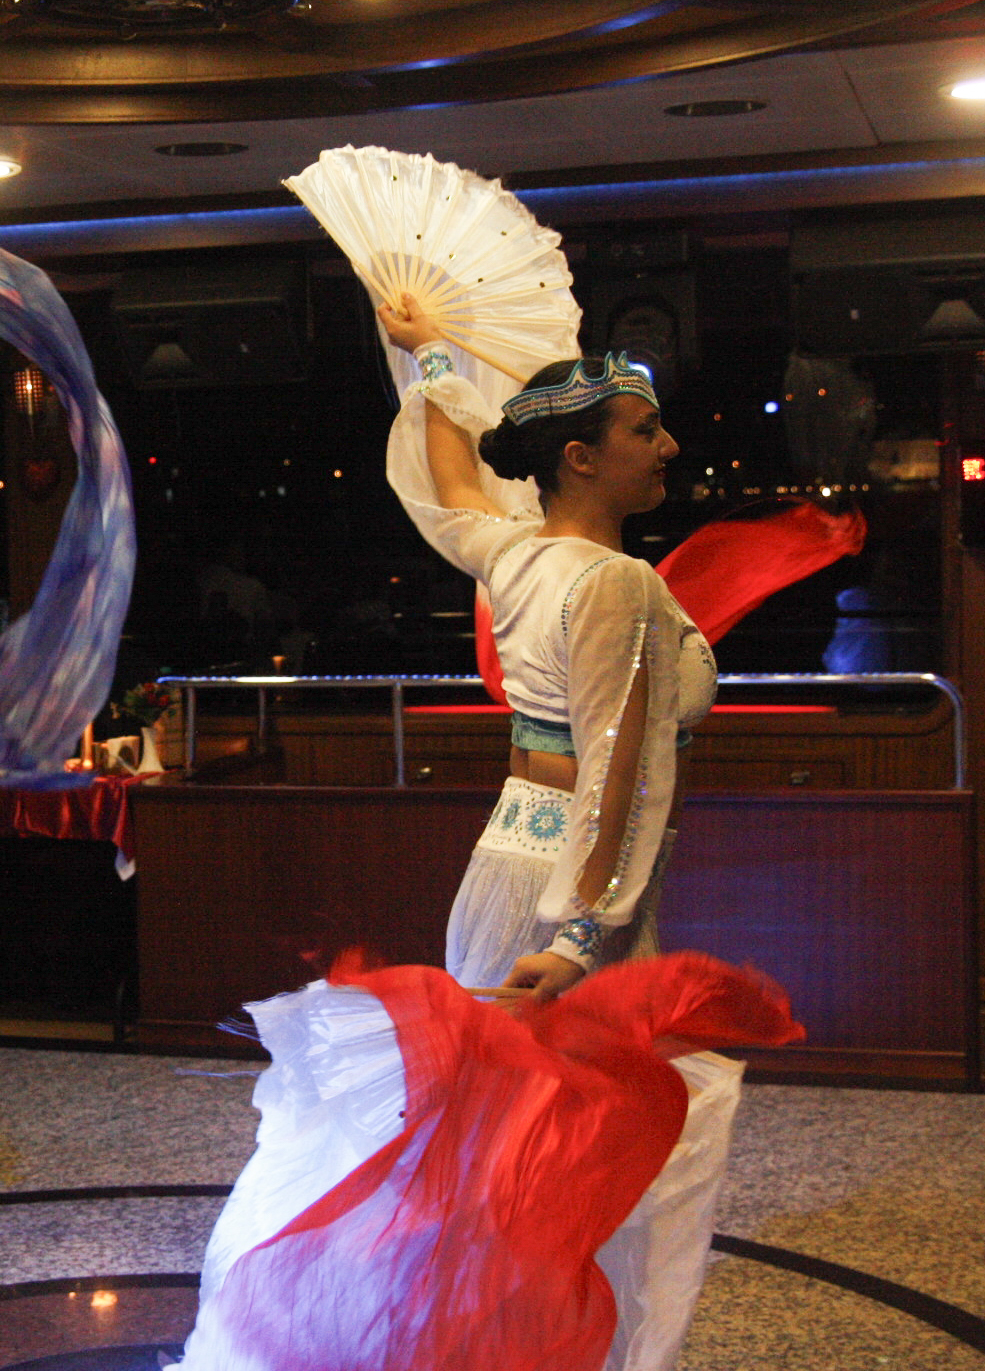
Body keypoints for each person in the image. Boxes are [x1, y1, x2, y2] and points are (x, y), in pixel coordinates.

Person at [178, 299, 732, 1371]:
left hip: (510, 865)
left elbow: (451, 482)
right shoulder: (615, 580)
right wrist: (582, 935)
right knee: (573, 1168)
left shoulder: (514, 554)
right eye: (645, 430)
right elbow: (619, 773)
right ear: (578, 458)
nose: (668, 447)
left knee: (501, 1150)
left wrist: (430, 353)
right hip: (571, 889)